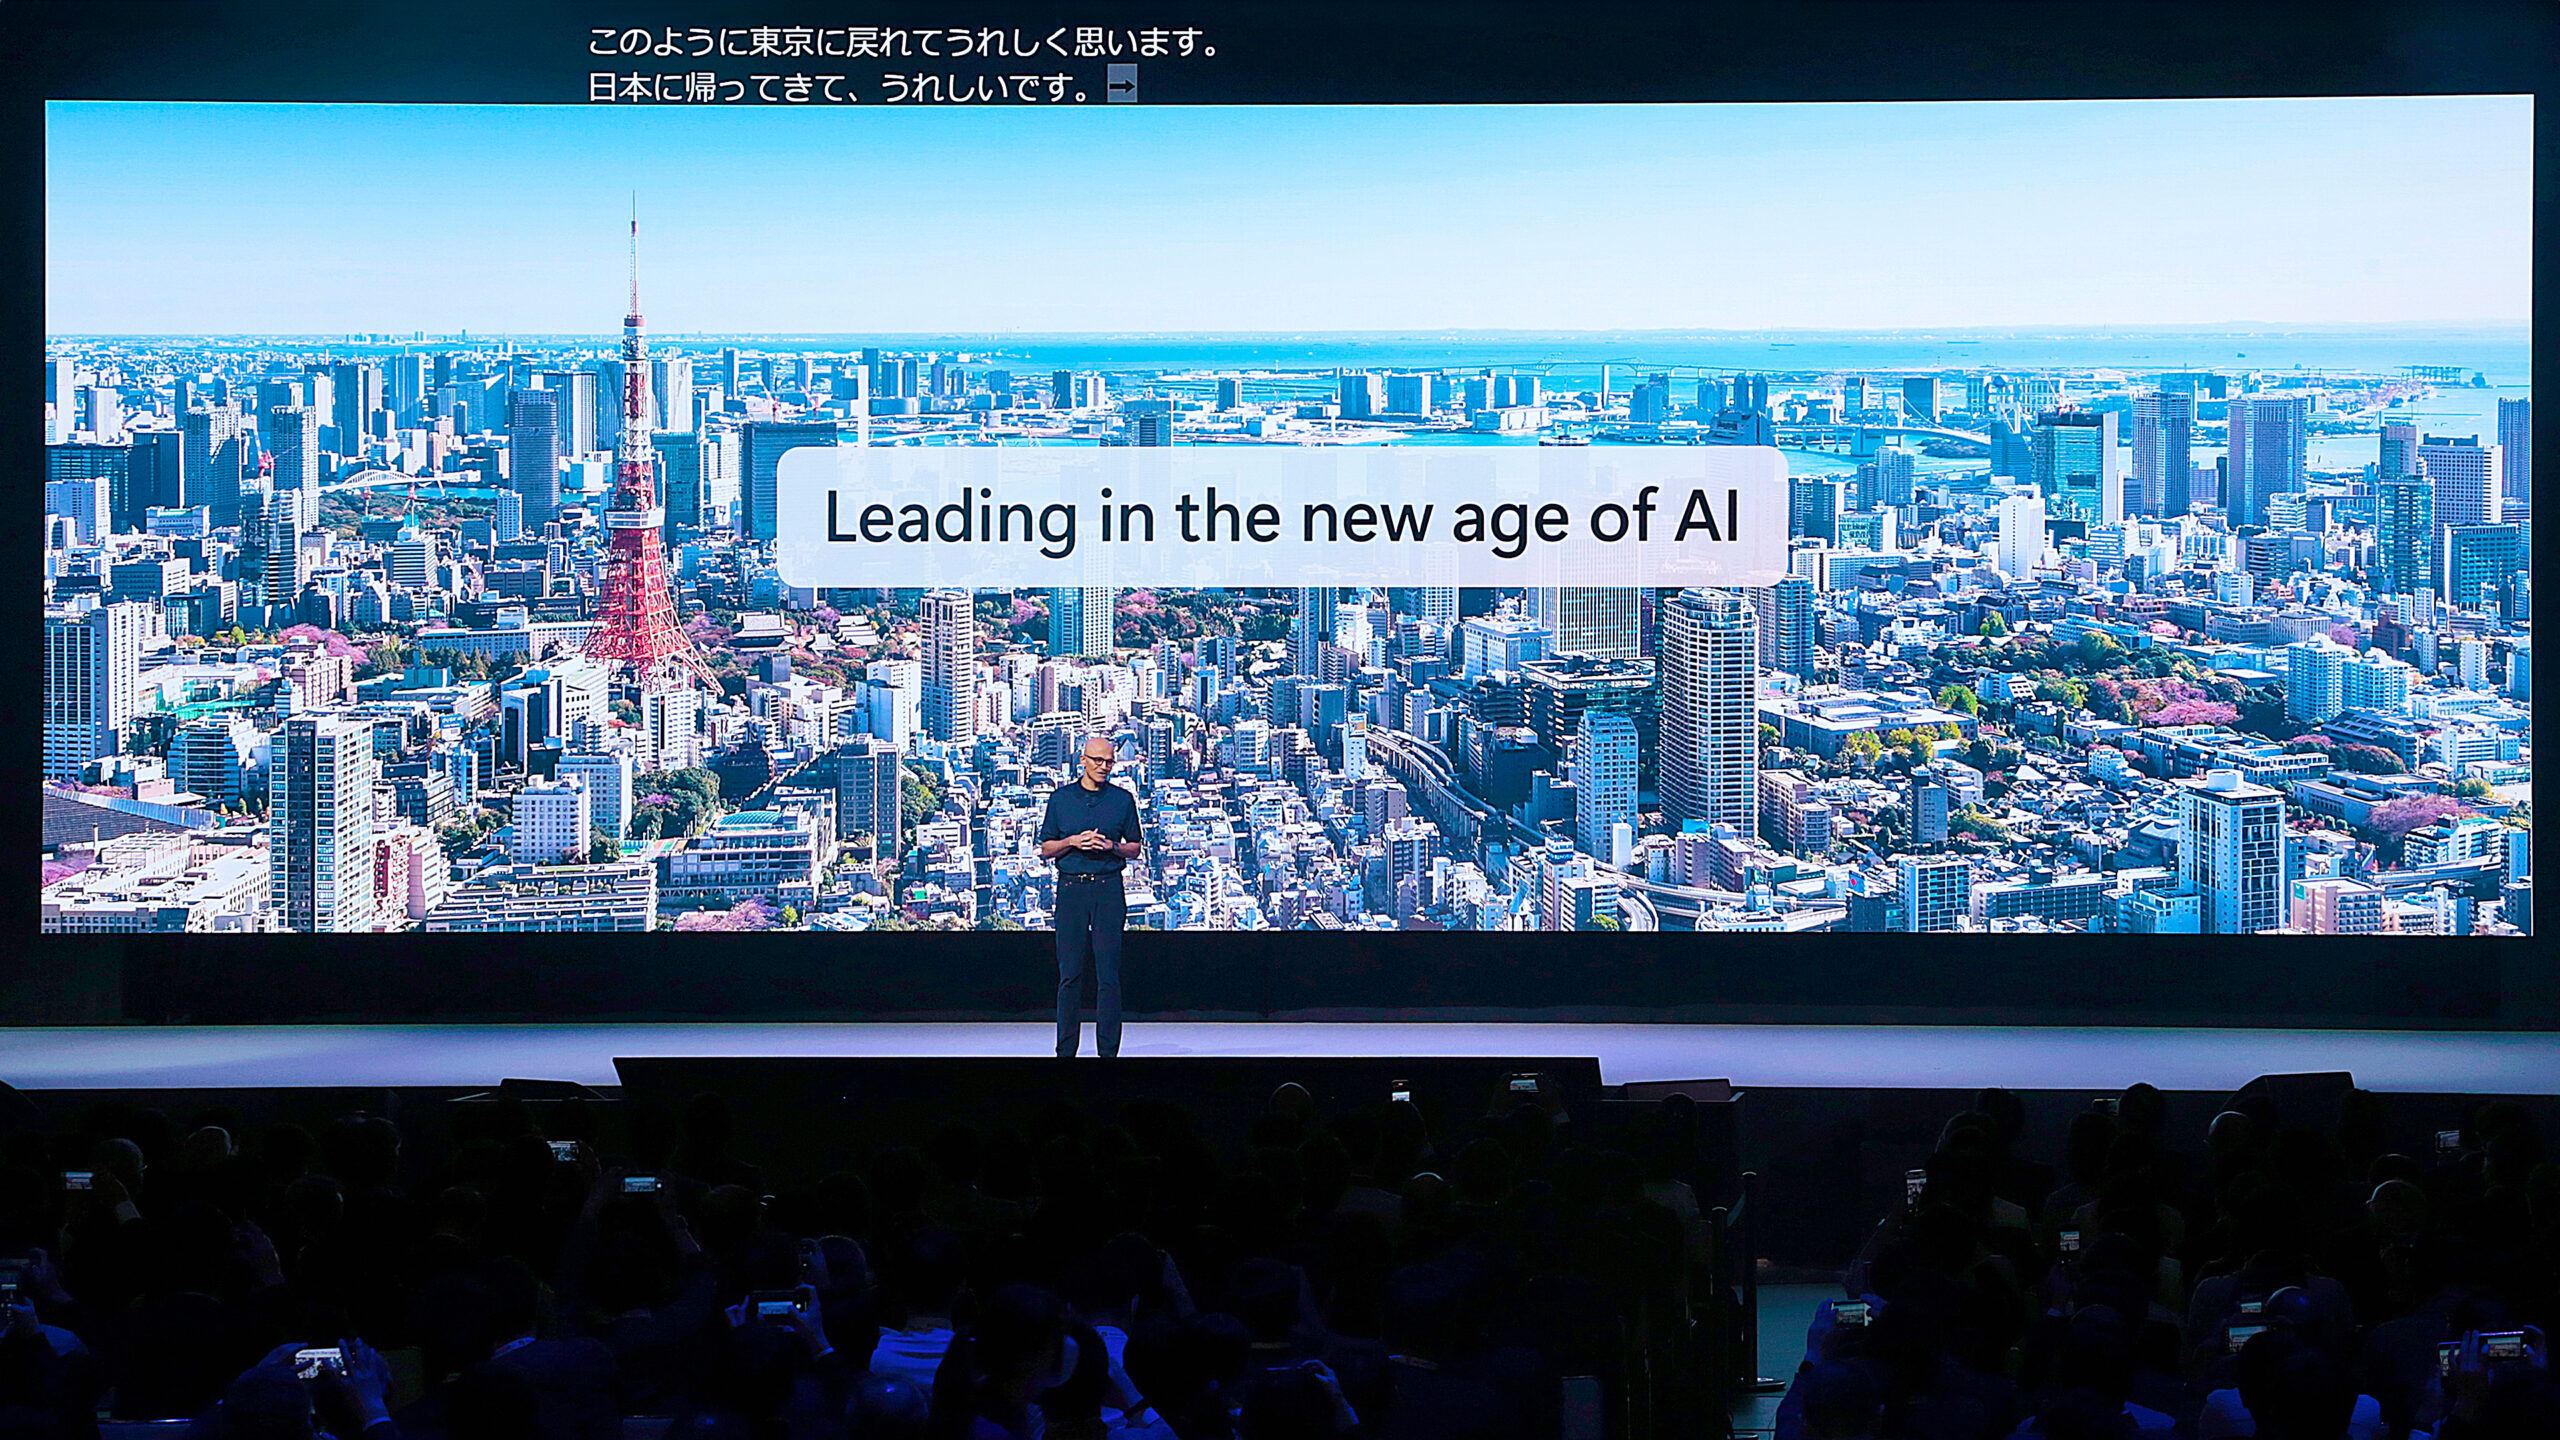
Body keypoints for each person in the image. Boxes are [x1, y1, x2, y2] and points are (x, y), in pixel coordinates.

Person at [1036, 734, 1144, 1060]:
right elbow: (1045, 848)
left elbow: (1135, 848)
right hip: (1071, 889)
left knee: (1109, 975)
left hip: (1109, 889)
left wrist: (1111, 846)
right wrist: (1072, 841)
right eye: (1097, 760)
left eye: (1109, 761)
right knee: (1070, 974)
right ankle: (1065, 1052)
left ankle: (1108, 1054)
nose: (1103, 766)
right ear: (1082, 760)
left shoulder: (1123, 800)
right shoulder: (1060, 799)